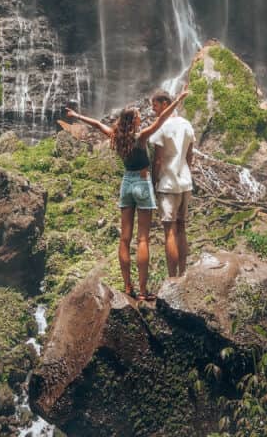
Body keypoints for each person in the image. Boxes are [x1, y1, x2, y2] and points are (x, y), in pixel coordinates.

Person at [65, 88, 187, 303]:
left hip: (126, 184)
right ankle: (142, 291)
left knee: (124, 239)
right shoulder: (141, 138)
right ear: (133, 122)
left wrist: (76, 116)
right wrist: (178, 99)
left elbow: (95, 124)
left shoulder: (115, 136)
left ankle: (127, 286)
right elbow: (163, 119)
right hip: (142, 183)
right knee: (143, 239)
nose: (142, 118)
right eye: (139, 117)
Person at [149, 89, 195, 278]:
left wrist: (153, 182)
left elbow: (158, 160)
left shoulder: (161, 126)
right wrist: (186, 172)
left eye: (155, 106)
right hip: (185, 182)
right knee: (182, 228)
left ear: (165, 104)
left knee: (169, 232)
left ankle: (172, 278)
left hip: (168, 185)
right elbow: (190, 155)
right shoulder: (187, 125)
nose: (153, 111)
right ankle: (183, 274)